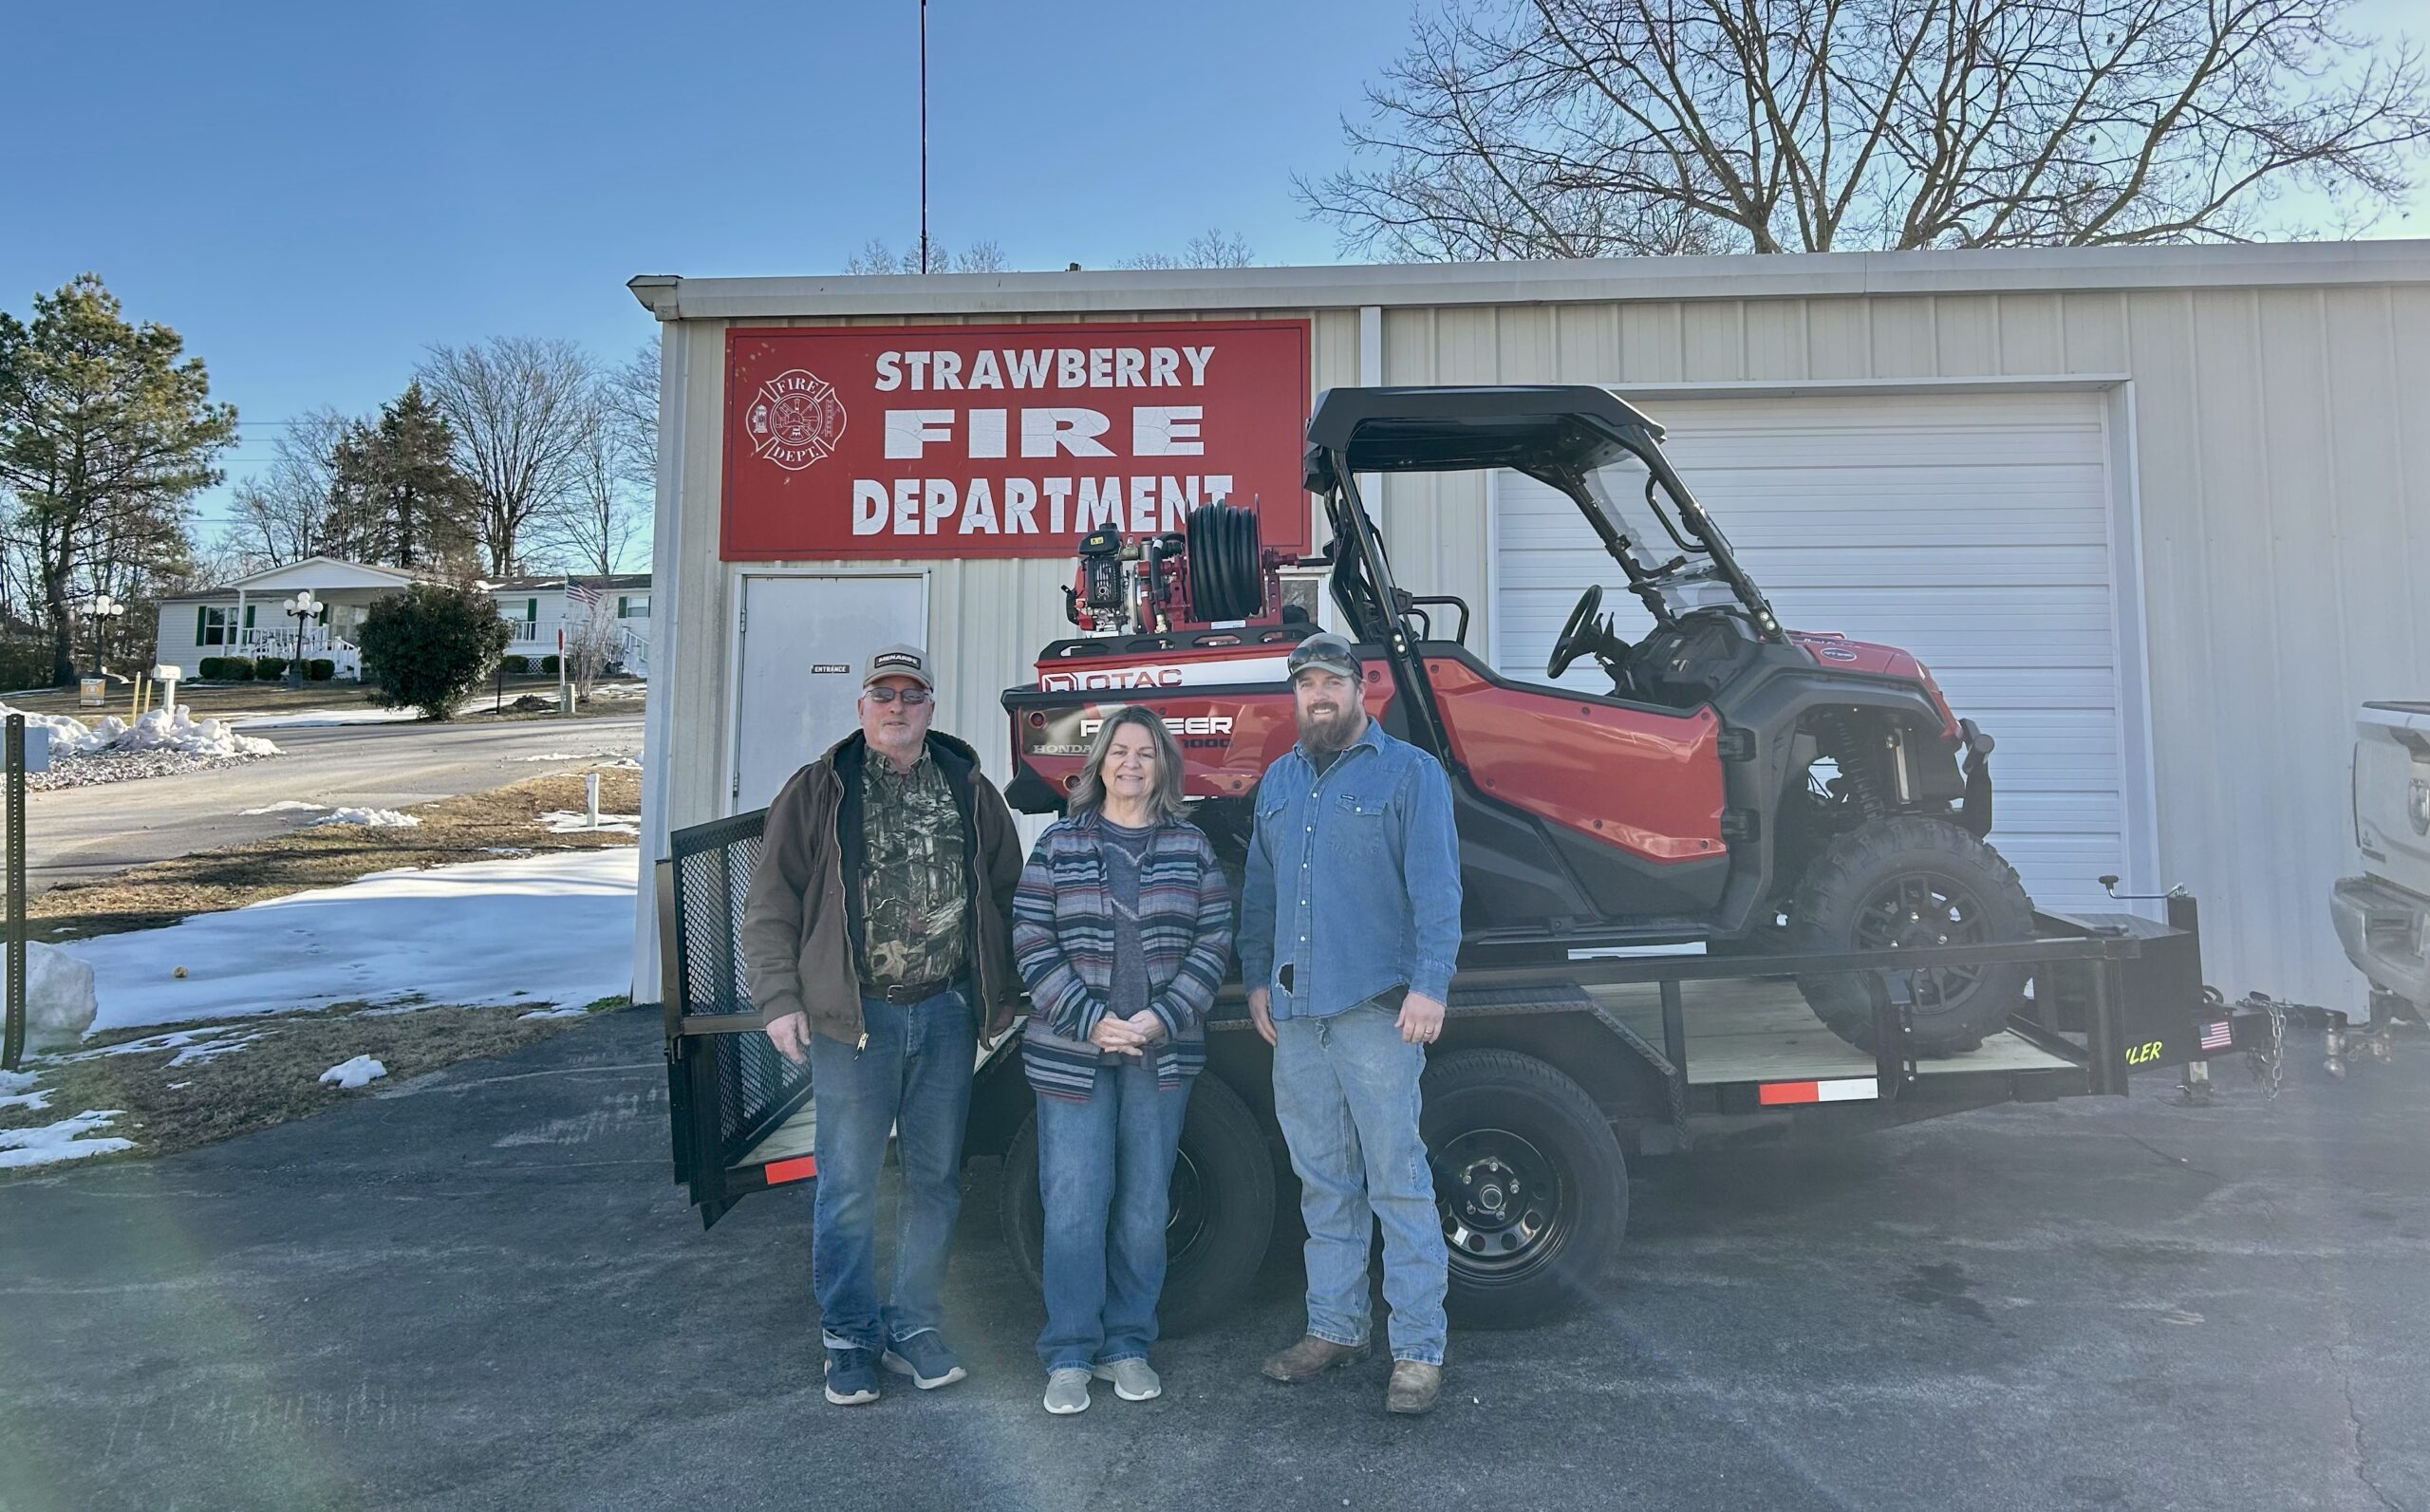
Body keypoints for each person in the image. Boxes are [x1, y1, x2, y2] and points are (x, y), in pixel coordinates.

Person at [738, 643, 1023, 1408]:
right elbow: (770, 906)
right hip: (855, 1021)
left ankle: (914, 1324)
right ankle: (850, 1334)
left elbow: (1007, 889)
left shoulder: (967, 786)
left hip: (945, 1013)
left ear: (931, 706)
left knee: (934, 1181)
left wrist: (1001, 989)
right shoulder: (819, 790)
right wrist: (780, 999)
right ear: (861, 705)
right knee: (849, 1183)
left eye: (912, 694)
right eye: (884, 694)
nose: (898, 706)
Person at [1237, 631, 1464, 1416]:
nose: (1319, 696)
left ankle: (1418, 1350)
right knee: (1324, 1182)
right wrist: (1256, 978)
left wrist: (1430, 985)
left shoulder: (1410, 773)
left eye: (1332, 681)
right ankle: (1334, 1328)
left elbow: (1437, 887)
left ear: (1362, 687)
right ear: (1296, 696)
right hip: (1297, 1016)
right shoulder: (1279, 780)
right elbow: (1259, 892)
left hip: (1377, 1012)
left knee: (1399, 1181)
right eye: (1306, 685)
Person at [1012, 706, 1234, 1416]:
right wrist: (1090, 1020)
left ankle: (1127, 1345)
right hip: (1072, 1052)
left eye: (1145, 752)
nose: (1131, 763)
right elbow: (1030, 937)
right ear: (1099, 763)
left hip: (1160, 1054)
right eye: (1119, 751)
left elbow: (1214, 940)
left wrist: (1164, 1017)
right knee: (1075, 1204)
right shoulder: (1059, 844)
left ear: (1163, 765)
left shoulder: (1190, 846)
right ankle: (1070, 1352)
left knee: (1144, 1206)